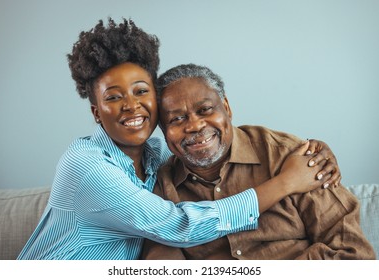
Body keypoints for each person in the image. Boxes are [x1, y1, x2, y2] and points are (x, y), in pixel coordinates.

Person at [18, 19, 340, 260]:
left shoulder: (158, 156)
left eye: (141, 91)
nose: (131, 105)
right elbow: (179, 226)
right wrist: (287, 182)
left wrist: (315, 151)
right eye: (114, 97)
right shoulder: (85, 166)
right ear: (96, 112)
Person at [142, 63, 376, 260]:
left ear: (226, 108)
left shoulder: (291, 157)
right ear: (163, 130)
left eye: (204, 110)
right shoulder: (161, 186)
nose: (194, 126)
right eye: (177, 119)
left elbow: (354, 255)